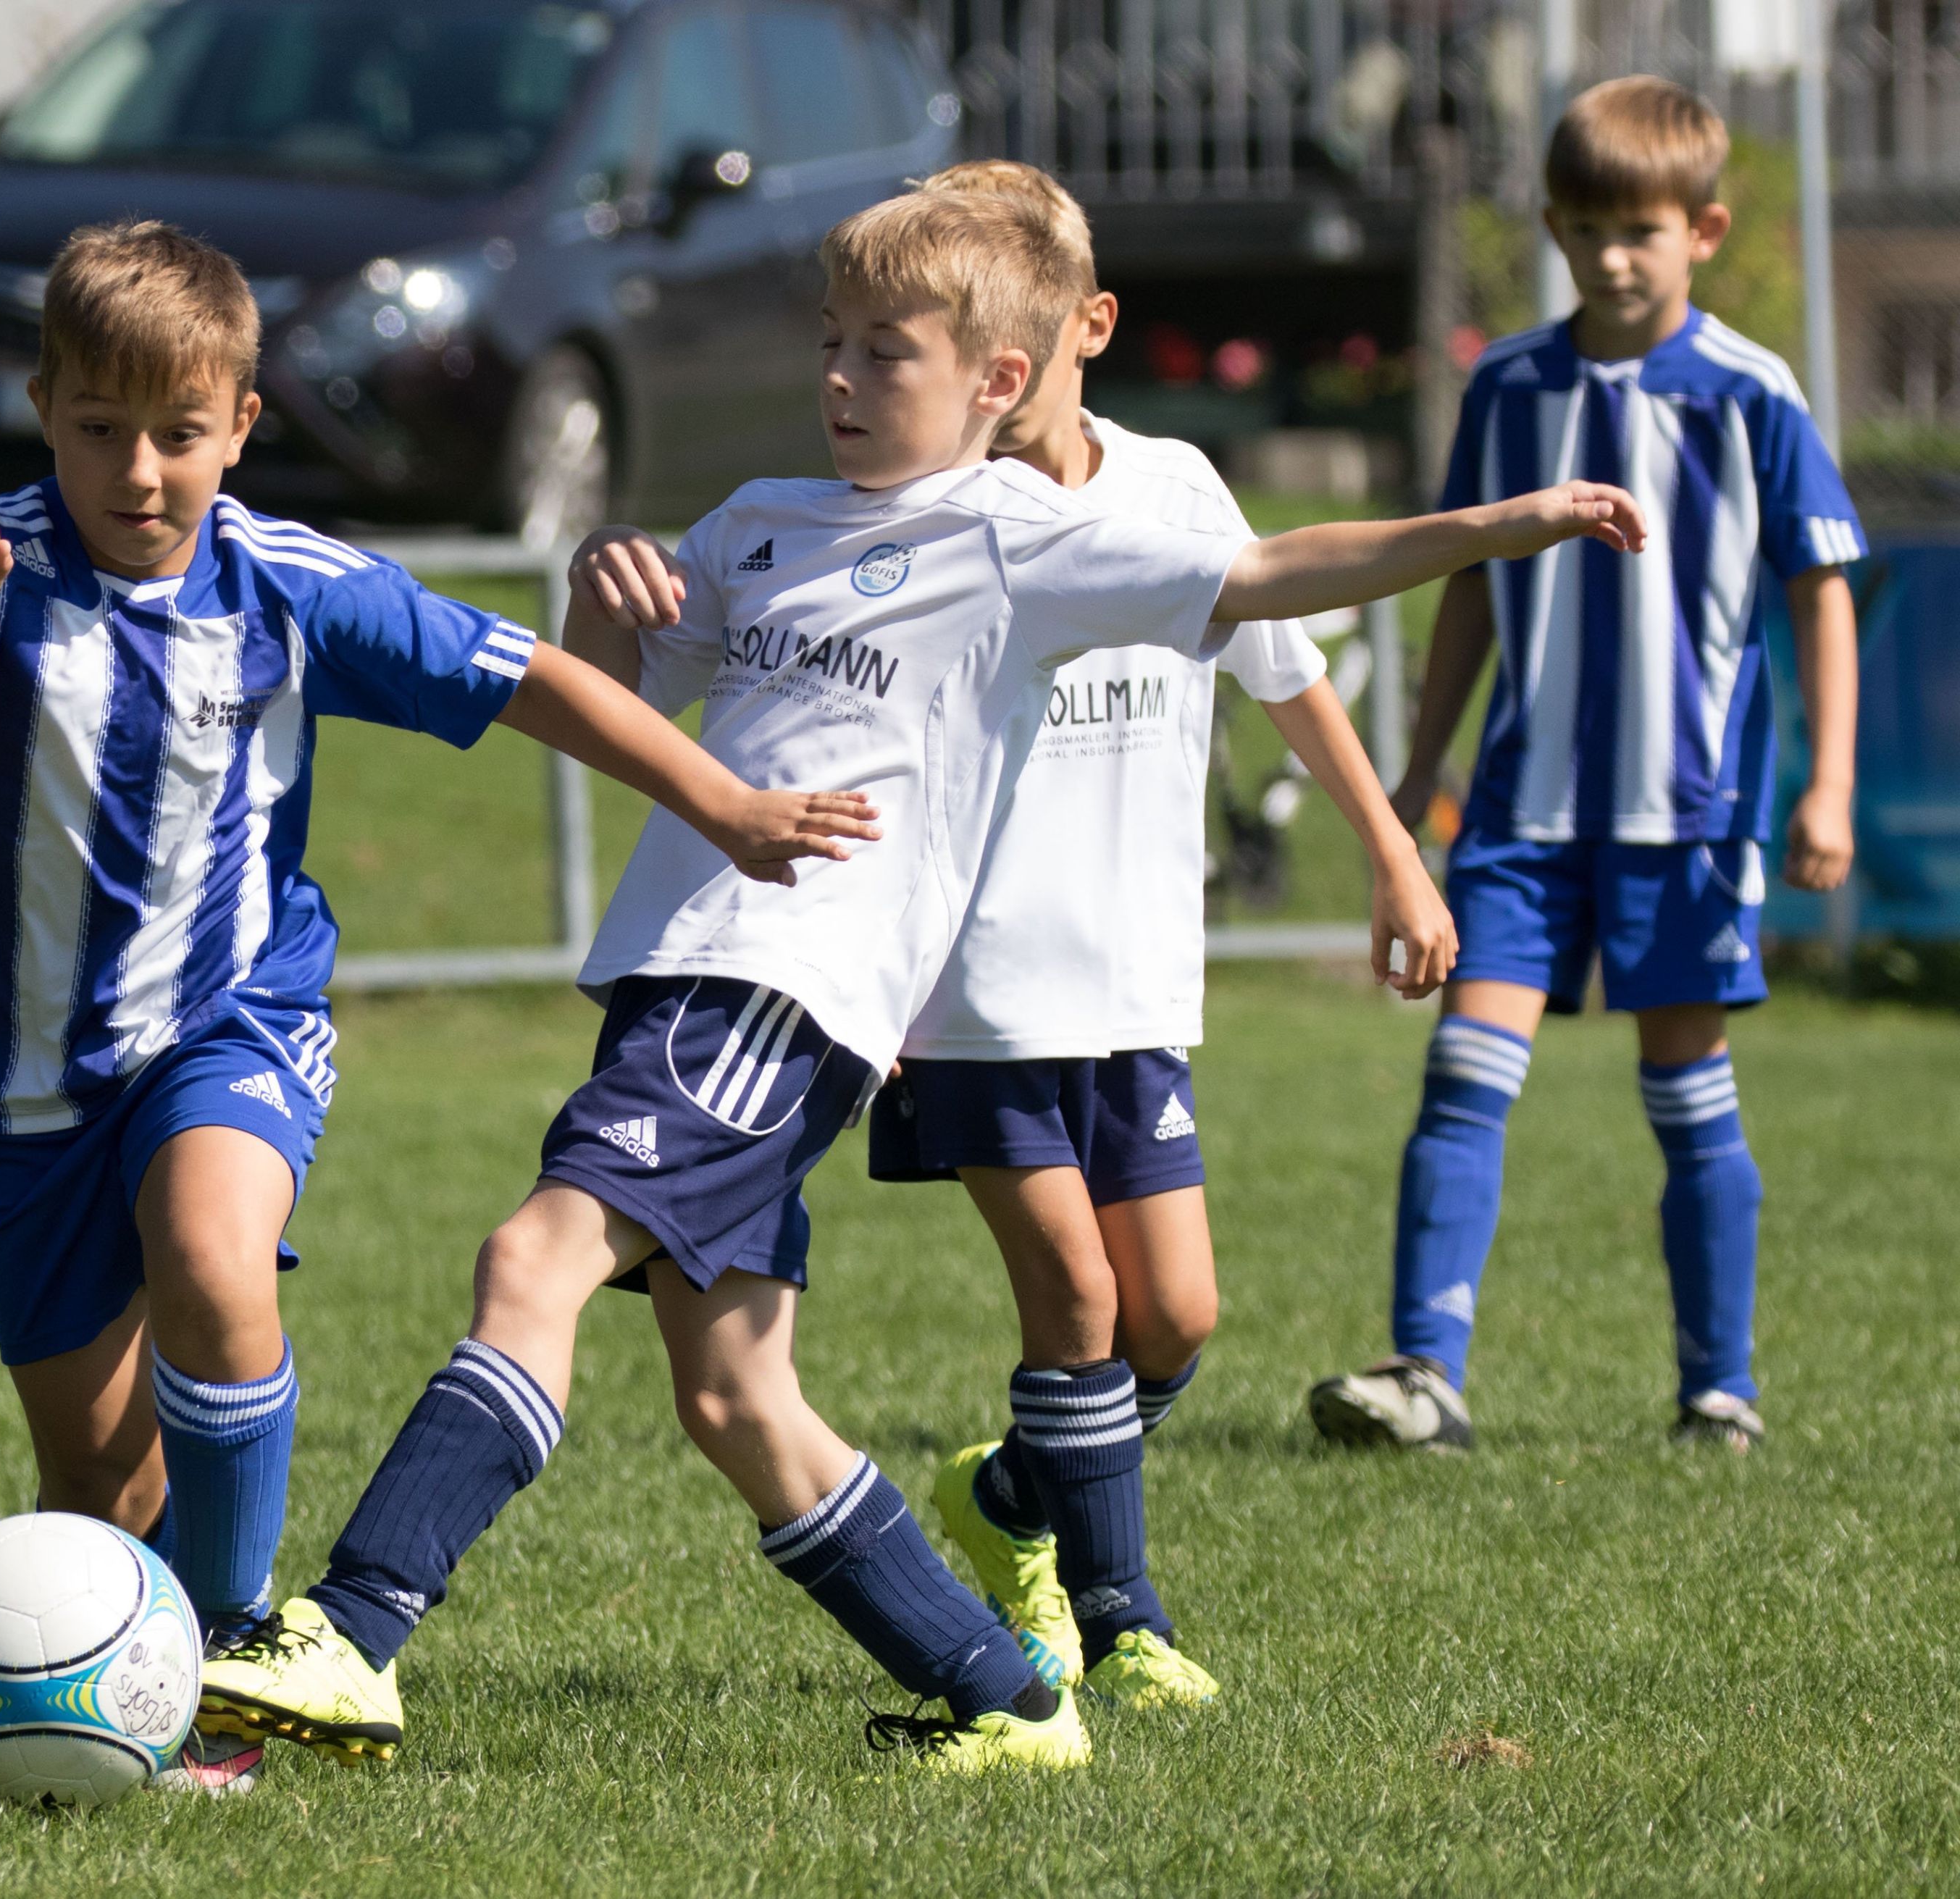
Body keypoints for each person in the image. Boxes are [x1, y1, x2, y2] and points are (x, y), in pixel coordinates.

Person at [196, 188, 1643, 1775]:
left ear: (996, 384)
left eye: (884, 353)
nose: (839, 377)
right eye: (832, 345)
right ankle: (1006, 1698)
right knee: (741, 1401)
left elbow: (1271, 573)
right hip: (685, 969)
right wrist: (610, 601)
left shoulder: (1020, 542)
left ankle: (350, 1627)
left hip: (780, 980)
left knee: (531, 1260)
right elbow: (648, 710)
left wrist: (1499, 529)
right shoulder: (754, 522)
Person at [0, 219, 876, 1794]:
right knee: (97, 1484)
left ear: (242, 424)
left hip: (231, 1023)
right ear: (42, 409)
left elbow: (526, 679)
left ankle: (237, 1665)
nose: (141, 471)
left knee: (215, 1257)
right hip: (19, 1084)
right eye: (100, 430)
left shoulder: (289, 584)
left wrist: (722, 801)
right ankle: (112, 1695)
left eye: (180, 435)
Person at [862, 161, 1452, 1707]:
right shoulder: (932, 519)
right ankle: (1120, 1623)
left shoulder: (1177, 490)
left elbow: (1285, 676)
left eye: (1022, 343)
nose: (992, 380)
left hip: (1134, 990)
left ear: (1085, 328)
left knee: (1175, 1320)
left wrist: (1393, 855)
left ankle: (1006, 1506)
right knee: (1071, 1296)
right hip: (975, 995)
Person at [1307, 77, 1861, 1454]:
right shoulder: (1509, 386)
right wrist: (1414, 774)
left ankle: (1716, 1391)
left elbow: (1822, 588)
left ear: (1705, 230)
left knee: (1686, 1093)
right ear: (1552, 225)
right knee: (1464, 1073)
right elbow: (1471, 589)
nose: (1616, 256)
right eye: (1590, 228)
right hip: (1521, 813)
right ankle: (1425, 1374)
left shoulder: (1752, 395)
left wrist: (1830, 781)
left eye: (1645, 230)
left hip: (1691, 818)